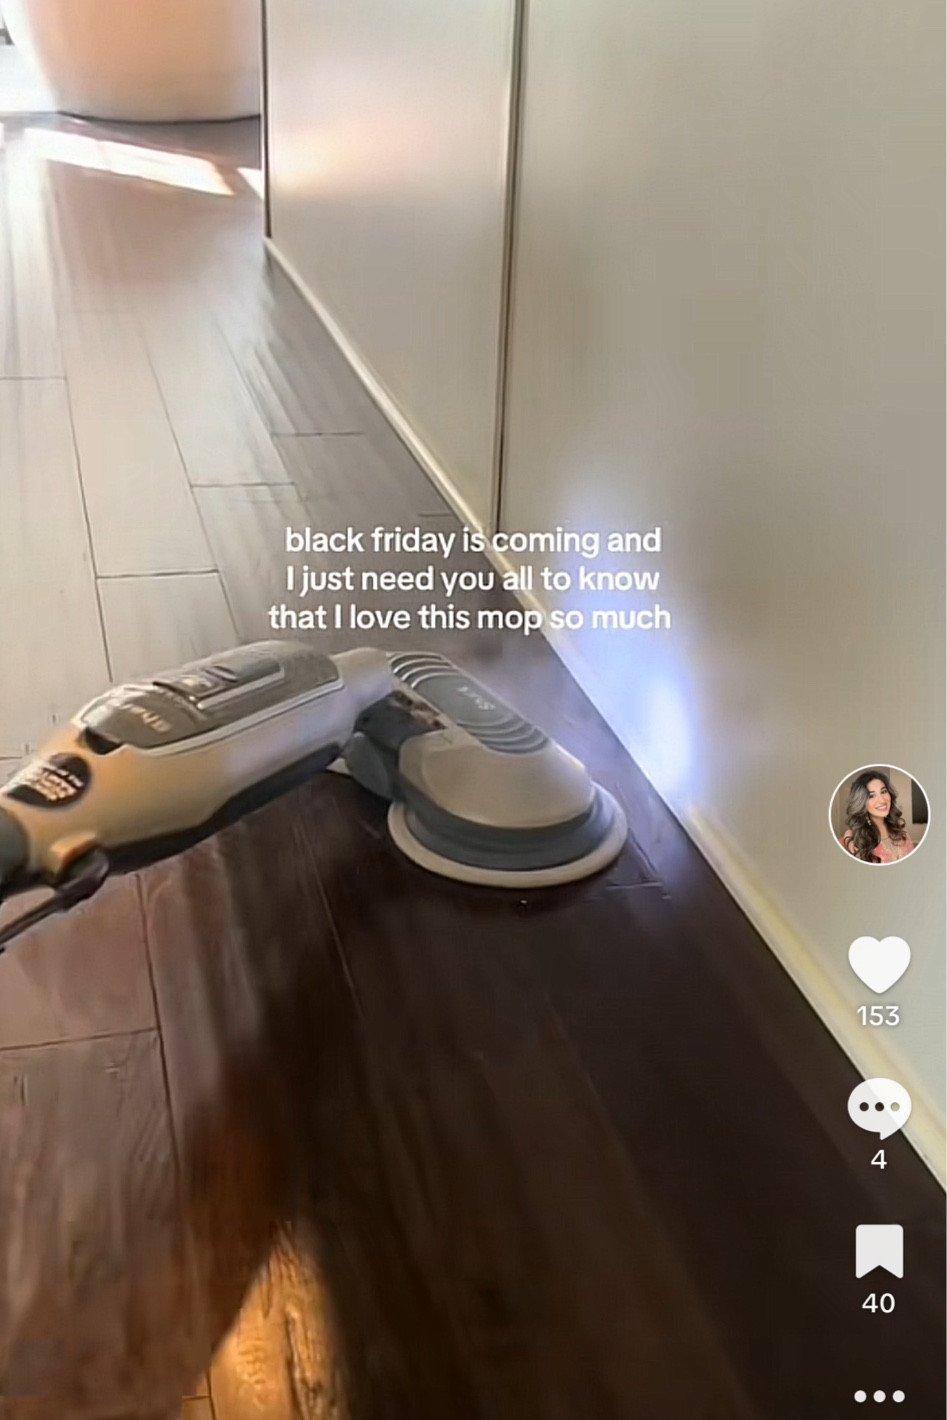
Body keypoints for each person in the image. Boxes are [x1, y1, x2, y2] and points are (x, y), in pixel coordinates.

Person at [839, 769, 914, 864]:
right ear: (861, 802)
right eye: (871, 796)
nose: (882, 800)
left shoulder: (899, 824)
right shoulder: (854, 837)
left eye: (883, 791)